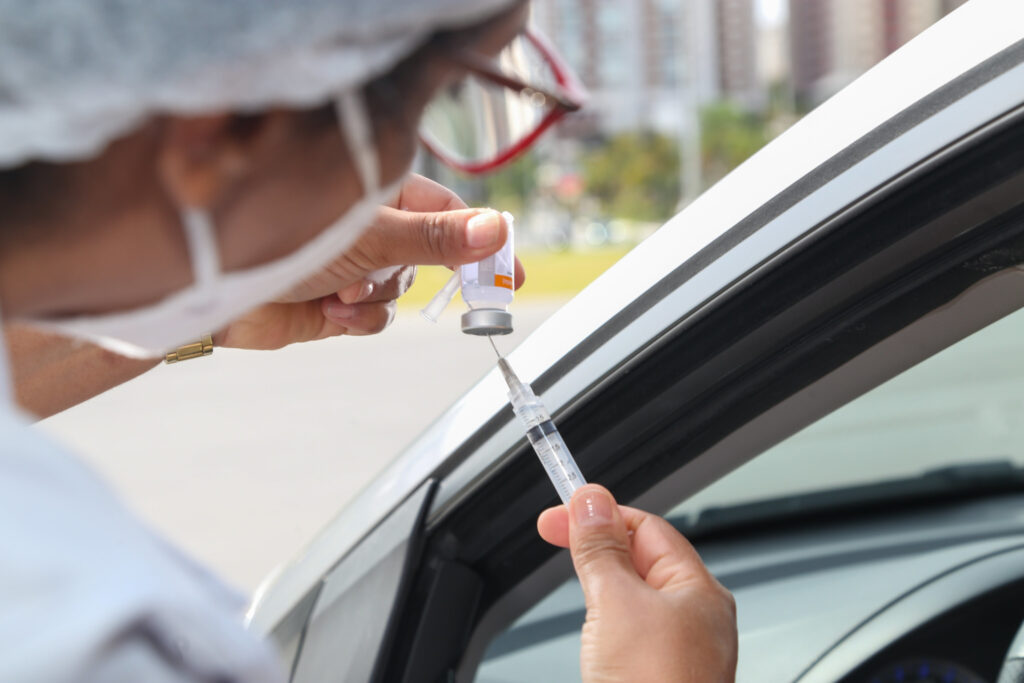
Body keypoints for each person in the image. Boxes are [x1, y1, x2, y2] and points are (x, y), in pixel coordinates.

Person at [0, 1, 737, 681]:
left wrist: (217, 295)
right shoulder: (94, 642)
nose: (401, 174)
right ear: (227, 128)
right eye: (430, 100)